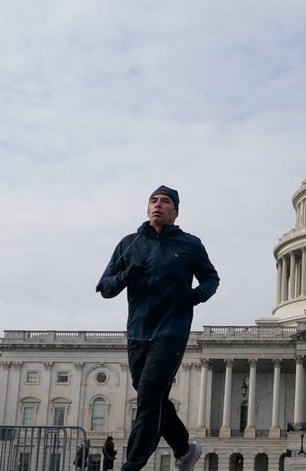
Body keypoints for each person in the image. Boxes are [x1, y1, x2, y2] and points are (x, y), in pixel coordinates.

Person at [96, 185, 220, 471]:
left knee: (150, 394)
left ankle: (132, 464)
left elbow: (211, 278)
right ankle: (184, 449)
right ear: (147, 208)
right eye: (154, 201)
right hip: (138, 332)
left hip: (172, 331)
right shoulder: (129, 244)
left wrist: (197, 295)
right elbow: (105, 287)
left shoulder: (190, 244)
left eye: (165, 202)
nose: (158, 205)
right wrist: (127, 275)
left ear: (175, 212)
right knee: (153, 397)